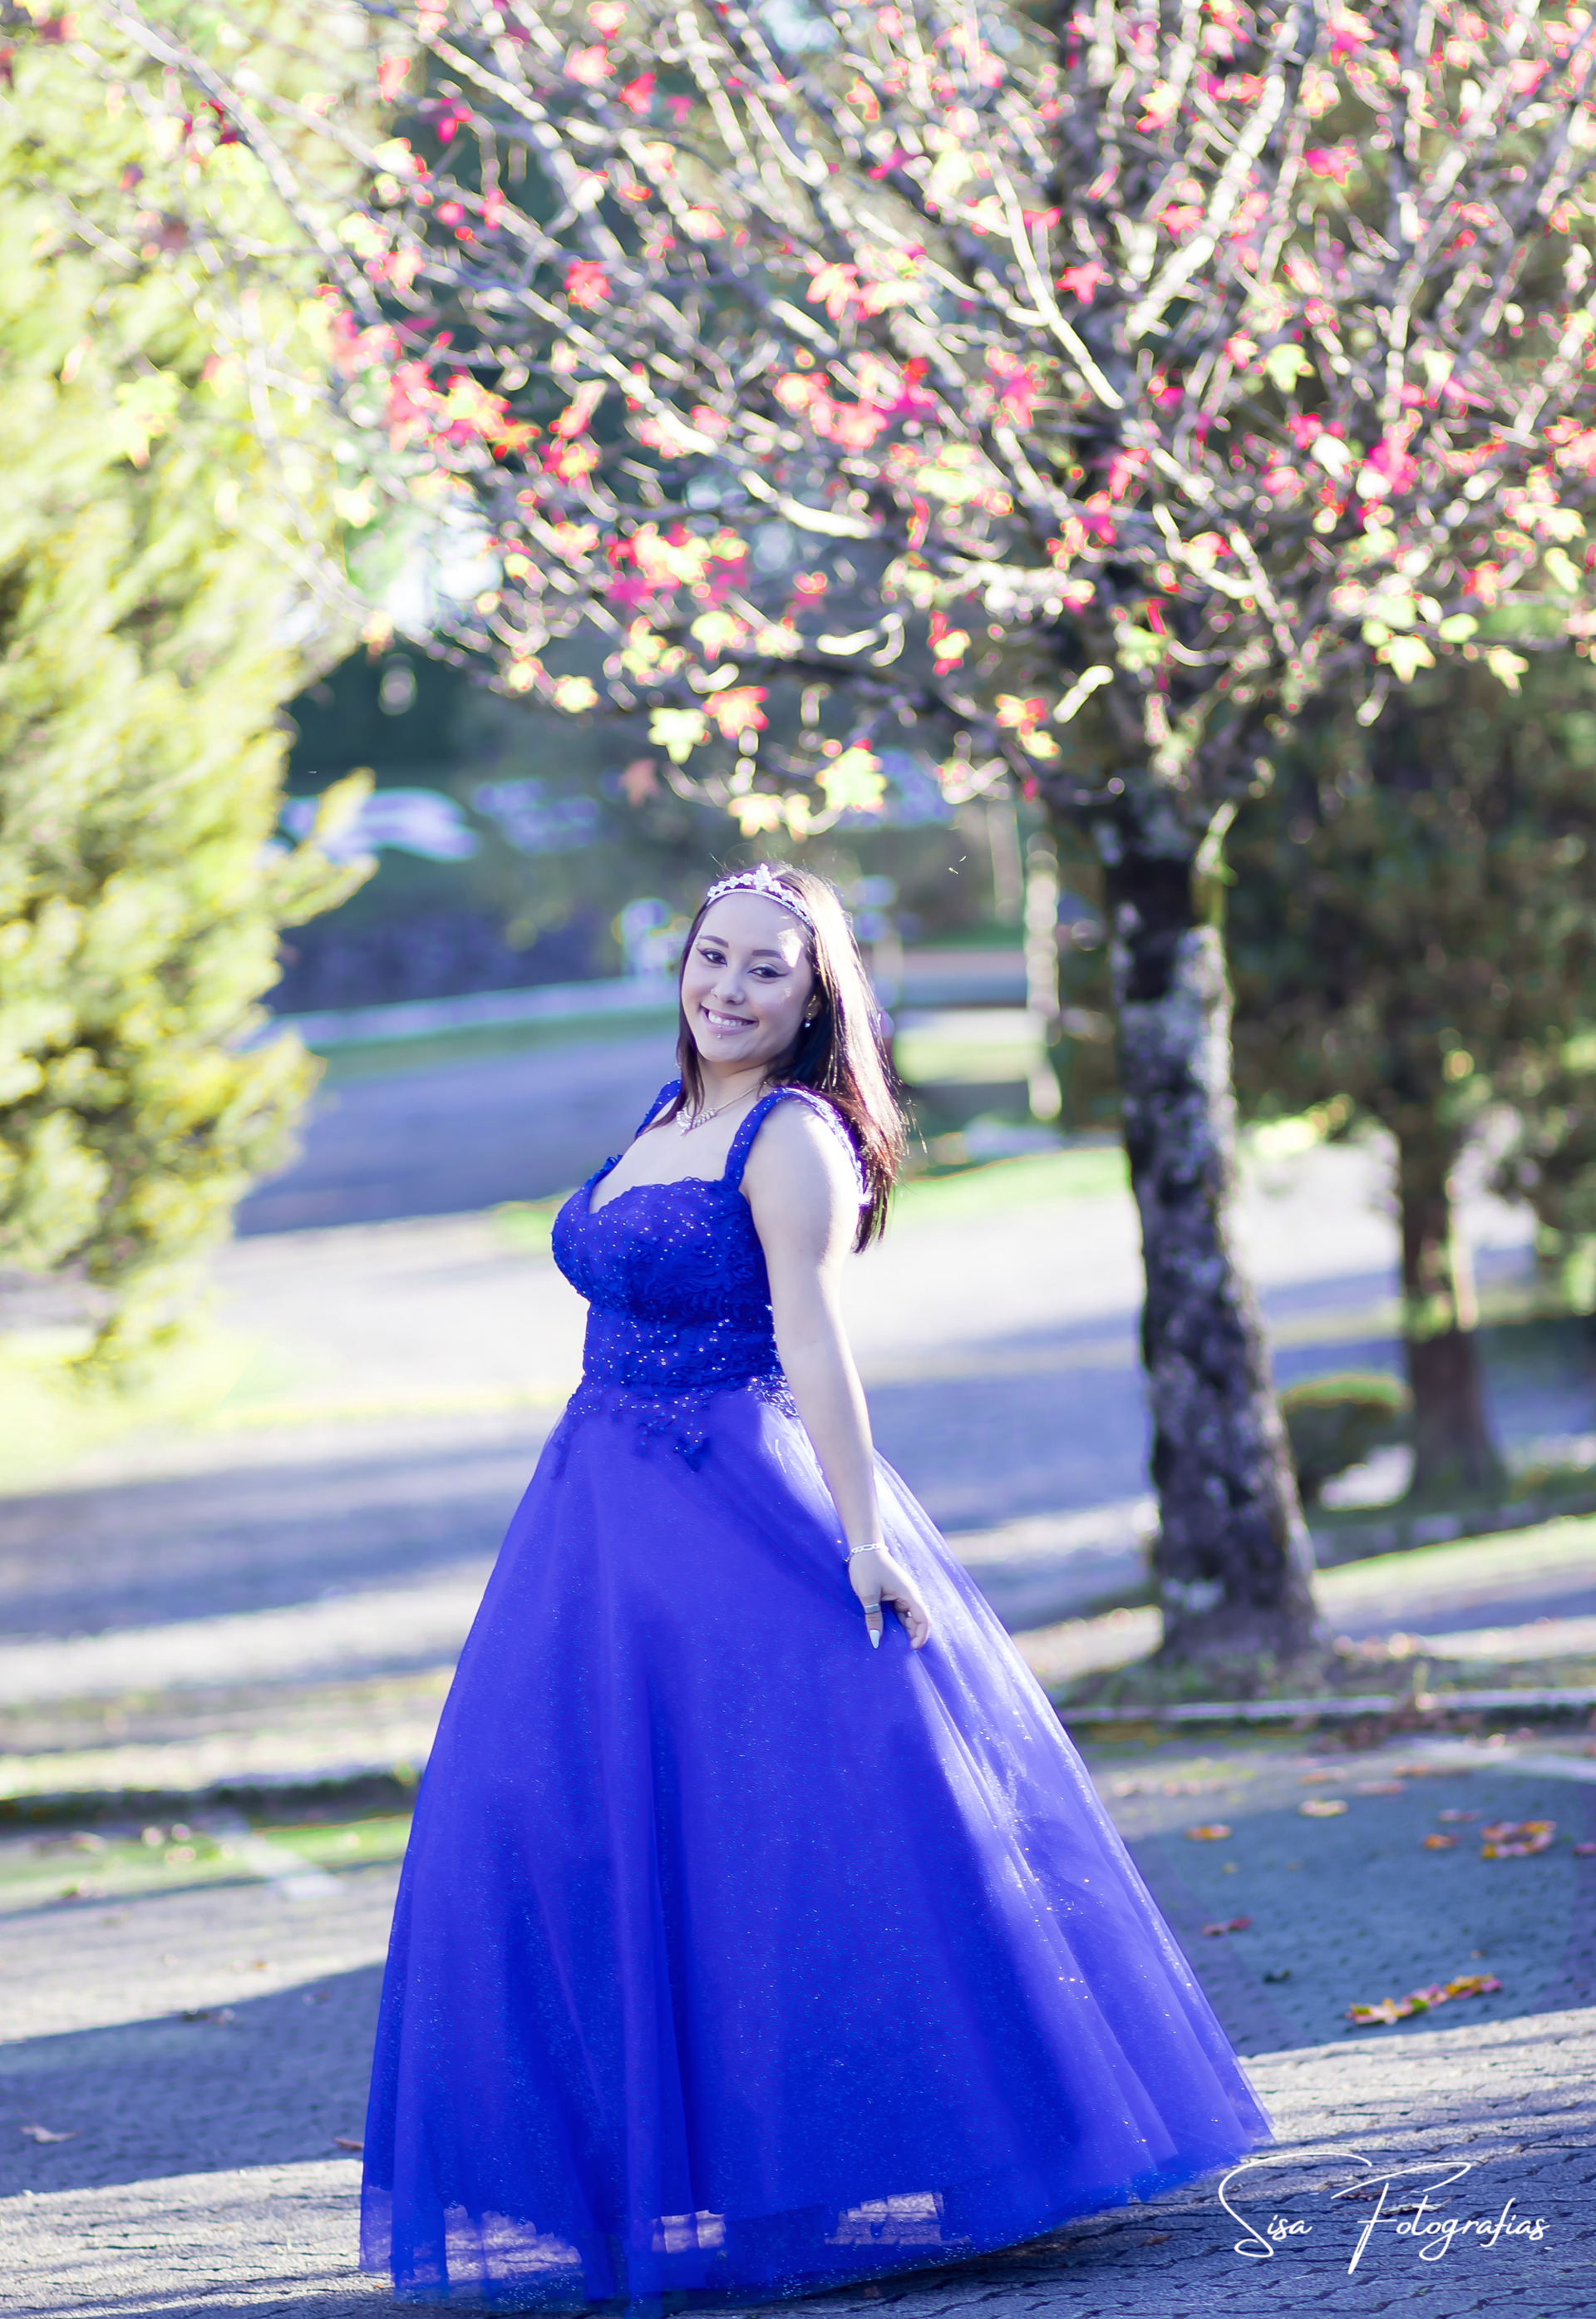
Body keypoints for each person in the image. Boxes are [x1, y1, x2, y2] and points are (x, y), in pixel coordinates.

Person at [361, 863, 1270, 2311]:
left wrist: (862, 1535)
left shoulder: (793, 1136)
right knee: (570, 1819)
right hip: (595, 1517)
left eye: (765, 969)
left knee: (782, 1829)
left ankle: (916, 2146)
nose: (728, 987)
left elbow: (816, 1343)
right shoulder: (669, 1114)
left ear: (815, 998)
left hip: (731, 1504)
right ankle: (661, 2169)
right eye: (711, 956)